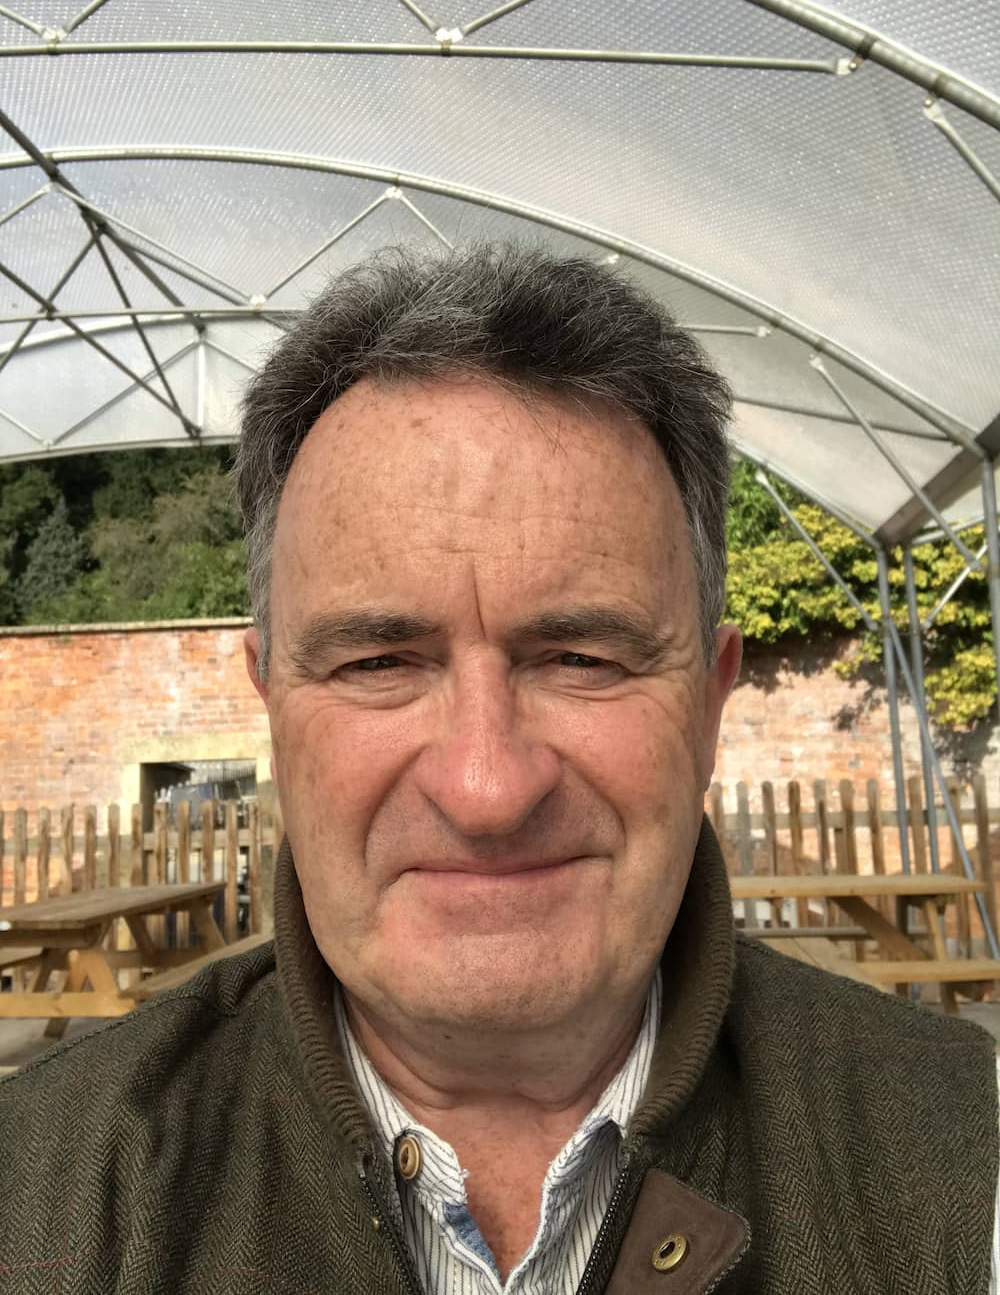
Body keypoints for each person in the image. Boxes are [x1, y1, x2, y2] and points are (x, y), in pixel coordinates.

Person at [0, 244, 996, 1295]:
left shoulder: (958, 1169)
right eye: (379, 661)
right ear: (272, 704)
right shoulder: (41, 1193)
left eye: (581, 658)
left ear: (708, 701)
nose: (487, 787)